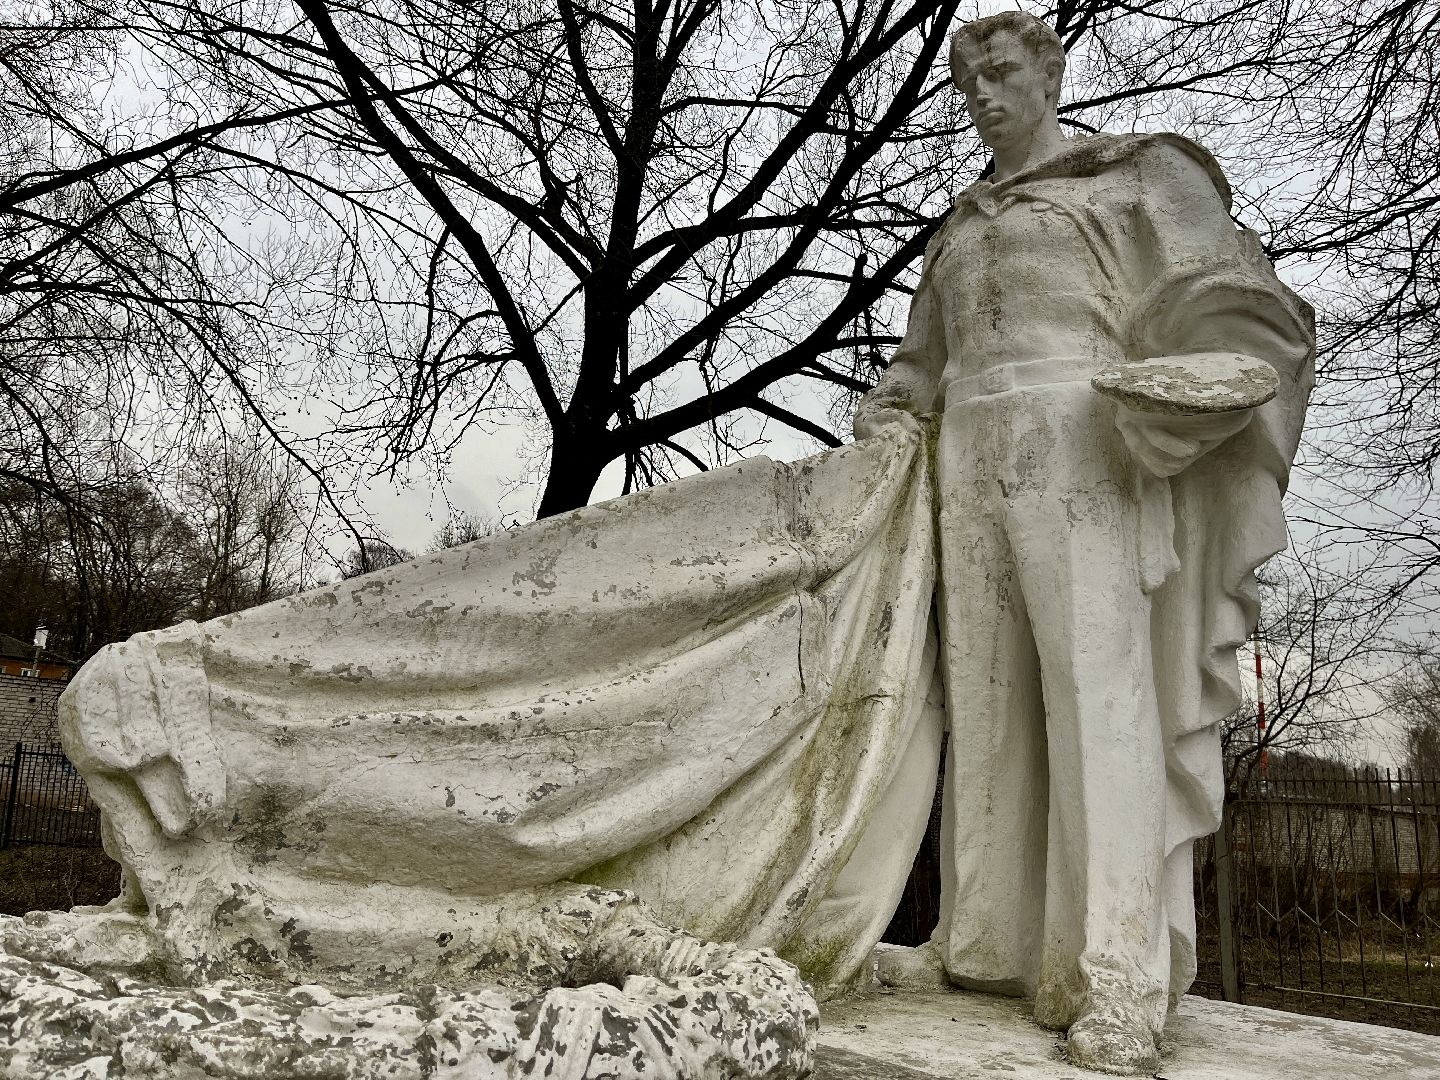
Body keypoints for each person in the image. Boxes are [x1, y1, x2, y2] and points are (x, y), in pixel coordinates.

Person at [854, 12, 1313, 1074]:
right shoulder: (959, 227)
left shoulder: (1128, 178)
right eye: (968, 83)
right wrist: (888, 411)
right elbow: (921, 363)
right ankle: (983, 945)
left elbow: (1233, 299)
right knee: (984, 699)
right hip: (967, 454)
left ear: (1049, 71)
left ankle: (1118, 972)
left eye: (1001, 71)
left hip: (1086, 438)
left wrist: (1203, 381)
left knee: (1095, 694)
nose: (984, 95)